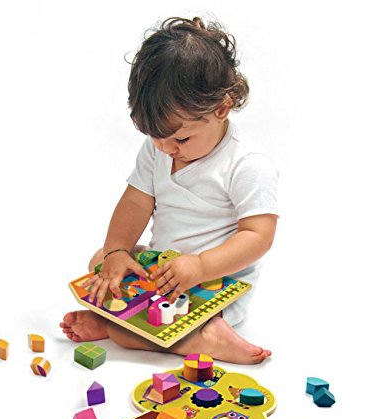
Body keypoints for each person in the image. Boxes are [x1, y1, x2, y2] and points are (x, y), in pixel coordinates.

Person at [60, 17, 279, 364]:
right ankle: (126, 315)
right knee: (101, 260)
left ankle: (201, 338)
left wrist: (201, 266)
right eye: (154, 137)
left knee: (134, 332)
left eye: (180, 139)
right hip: (163, 266)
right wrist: (118, 251)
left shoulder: (247, 164)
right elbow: (135, 202)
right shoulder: (160, 147)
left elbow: (258, 236)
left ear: (221, 109)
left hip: (215, 284)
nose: (165, 149)